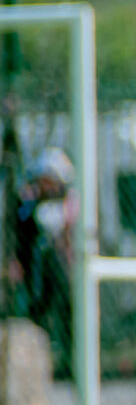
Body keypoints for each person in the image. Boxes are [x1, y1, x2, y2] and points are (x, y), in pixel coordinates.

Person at [9, 147, 77, 354]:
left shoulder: (69, 203)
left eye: (48, 180)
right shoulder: (29, 205)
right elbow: (22, 233)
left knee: (67, 306)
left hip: (62, 267)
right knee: (38, 308)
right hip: (38, 268)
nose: (43, 184)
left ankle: (68, 351)